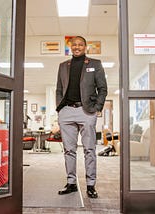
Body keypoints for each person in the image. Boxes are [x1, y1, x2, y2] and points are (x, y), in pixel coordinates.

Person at [55, 36, 108, 198]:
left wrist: (97, 108)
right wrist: (60, 108)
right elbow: (59, 89)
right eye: (74, 45)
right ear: (70, 47)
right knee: (69, 150)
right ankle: (71, 183)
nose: (77, 47)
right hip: (67, 111)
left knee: (89, 149)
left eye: (80, 45)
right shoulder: (63, 66)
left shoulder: (95, 64)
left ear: (85, 47)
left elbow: (103, 89)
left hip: (86, 111)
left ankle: (91, 185)